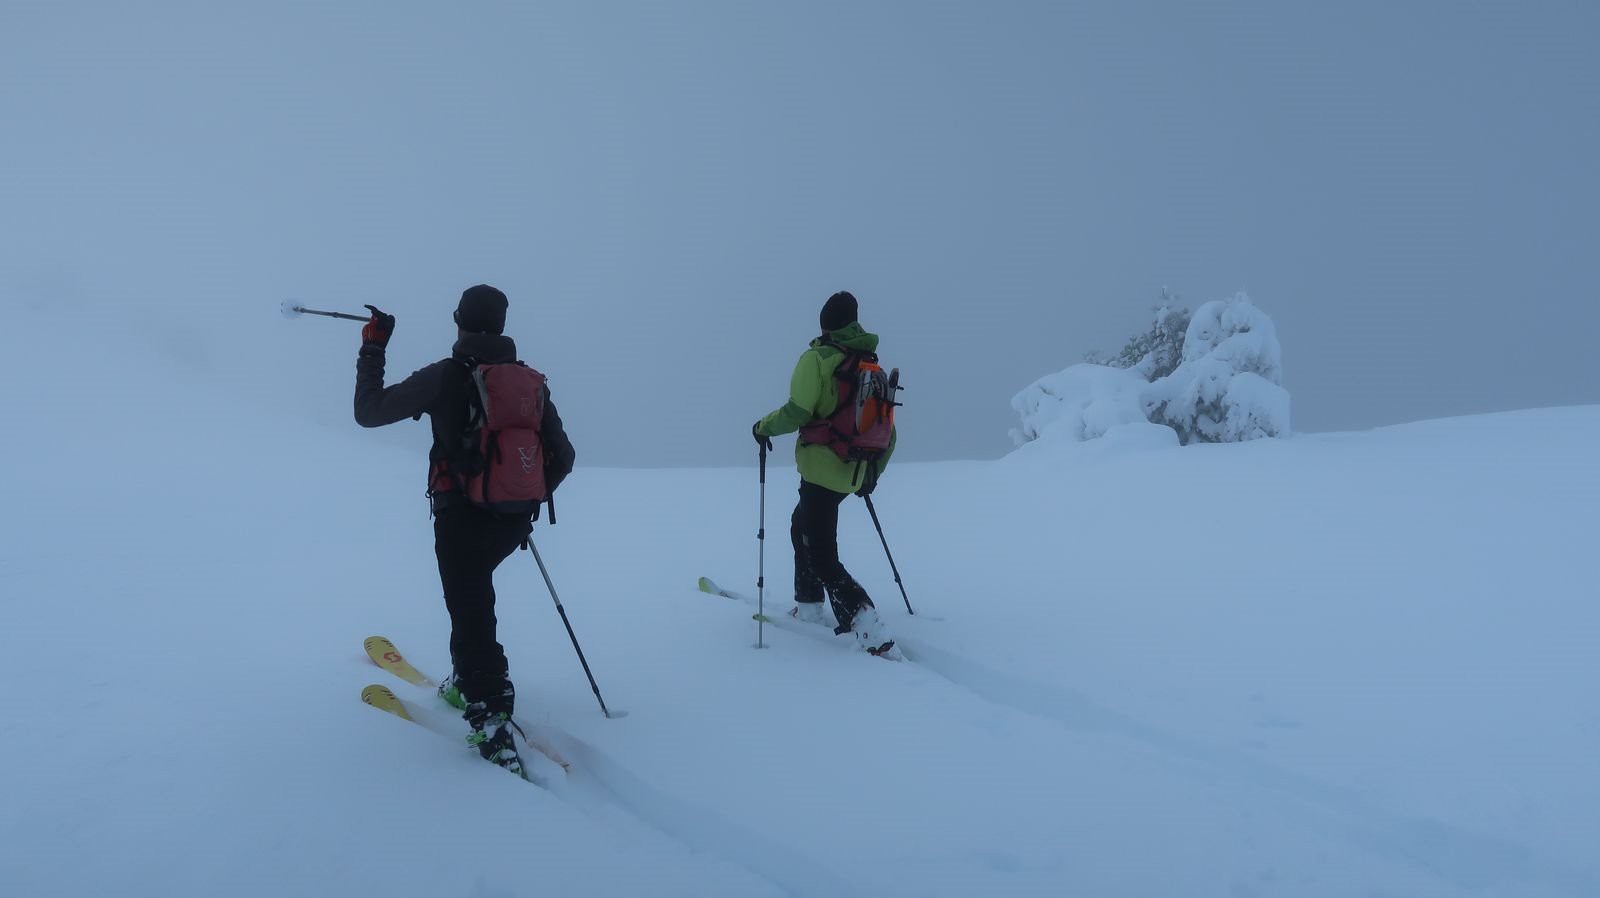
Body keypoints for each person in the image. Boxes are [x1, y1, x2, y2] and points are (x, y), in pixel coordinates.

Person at [353, 285, 576, 773]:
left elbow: (368, 412)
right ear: (501, 326)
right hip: (513, 520)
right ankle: (467, 677)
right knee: (474, 597)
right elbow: (565, 456)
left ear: (459, 322)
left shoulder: (446, 376)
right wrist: (522, 496)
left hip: (461, 520)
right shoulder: (529, 382)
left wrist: (373, 346)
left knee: (470, 607)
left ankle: (491, 710)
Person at [753, 290, 899, 657]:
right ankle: (809, 605)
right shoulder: (870, 365)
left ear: (825, 324)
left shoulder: (817, 359)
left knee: (821, 554)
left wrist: (763, 427)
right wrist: (871, 474)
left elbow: (798, 411)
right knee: (800, 525)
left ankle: (867, 623)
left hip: (822, 469)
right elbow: (889, 432)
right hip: (853, 471)